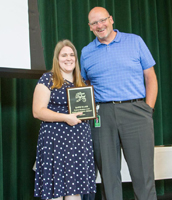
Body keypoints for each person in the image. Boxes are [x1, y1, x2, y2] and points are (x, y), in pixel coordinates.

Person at [80, 7, 158, 200]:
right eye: (94, 23)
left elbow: (150, 78)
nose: (100, 25)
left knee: (143, 174)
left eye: (102, 20)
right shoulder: (86, 52)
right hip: (102, 116)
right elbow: (85, 85)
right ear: (90, 27)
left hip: (136, 111)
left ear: (111, 19)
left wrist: (147, 109)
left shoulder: (135, 41)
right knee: (108, 175)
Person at [33, 39, 96, 200]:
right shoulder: (48, 79)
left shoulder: (82, 83)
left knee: (74, 192)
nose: (68, 58)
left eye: (72, 55)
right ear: (57, 59)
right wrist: (65, 118)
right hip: (56, 142)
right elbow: (38, 111)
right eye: (64, 55)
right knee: (55, 192)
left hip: (78, 142)